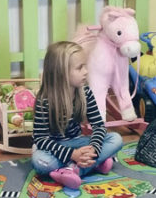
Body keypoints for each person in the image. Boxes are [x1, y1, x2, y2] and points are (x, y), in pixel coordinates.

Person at [32, 41, 123, 188]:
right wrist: (71, 154)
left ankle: (74, 169)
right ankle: (95, 163)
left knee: (116, 139)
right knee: (40, 162)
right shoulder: (45, 100)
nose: (86, 71)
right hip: (54, 148)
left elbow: (99, 126)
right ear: (61, 73)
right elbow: (40, 139)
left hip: (78, 142)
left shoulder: (85, 93)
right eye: (80, 68)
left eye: (85, 66)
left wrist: (93, 148)